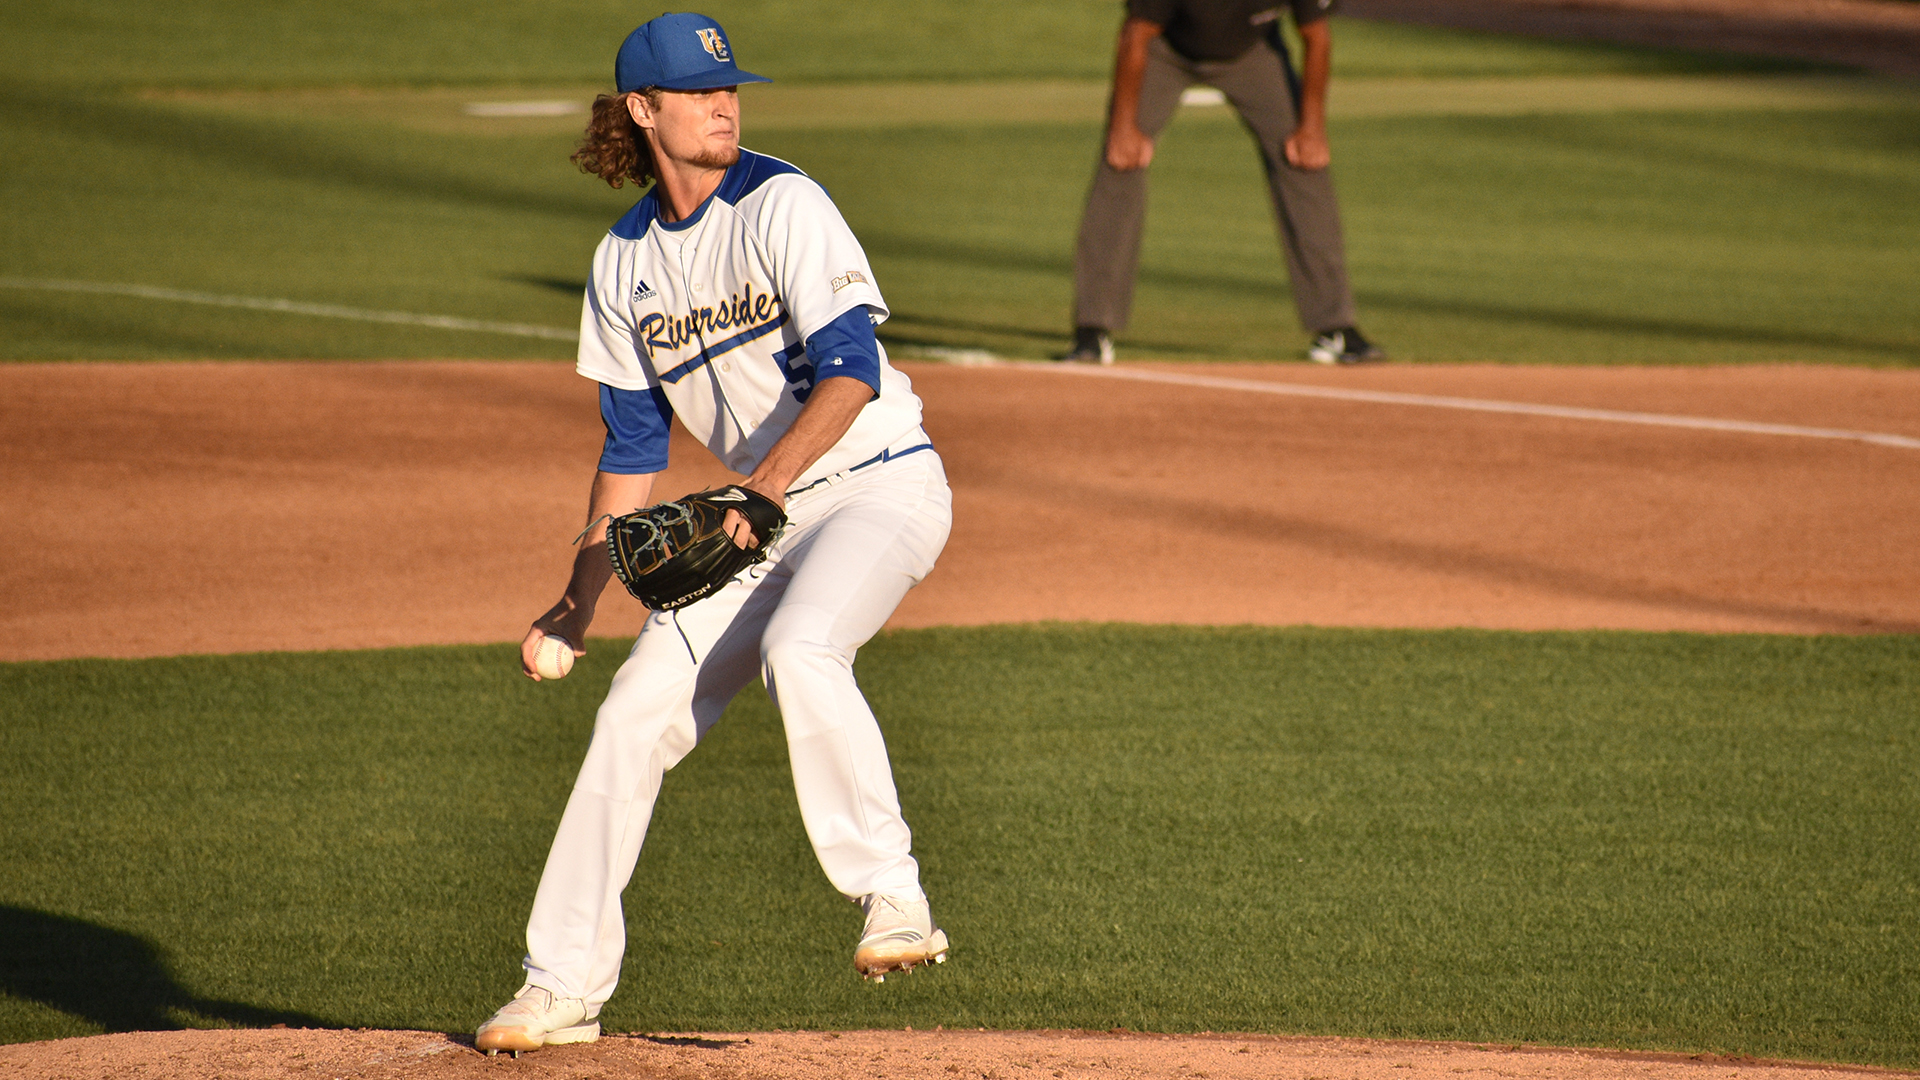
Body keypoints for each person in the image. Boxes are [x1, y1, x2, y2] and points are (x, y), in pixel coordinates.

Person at [474, 12, 954, 1056]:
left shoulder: (784, 203)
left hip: (879, 484)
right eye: (697, 92)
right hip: (762, 517)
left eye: (728, 87)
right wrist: (579, 596)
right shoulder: (624, 264)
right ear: (643, 112)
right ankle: (561, 985)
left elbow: (851, 373)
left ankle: (894, 896)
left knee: (803, 647)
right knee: (630, 716)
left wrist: (764, 493)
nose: (724, 104)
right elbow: (629, 448)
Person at [1067, 0, 1384, 365]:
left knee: (1305, 164)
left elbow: (1317, 38)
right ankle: (1092, 329)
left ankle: (1336, 328)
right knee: (1120, 163)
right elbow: (1135, 36)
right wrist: (1123, 127)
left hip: (1255, 53)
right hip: (1165, 51)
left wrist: (1312, 127)